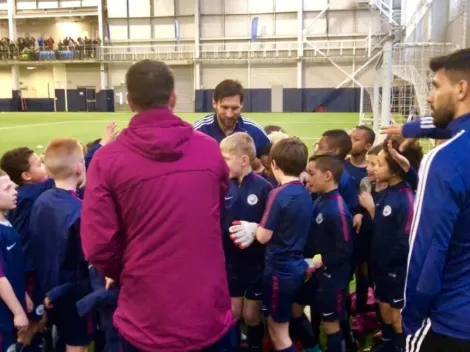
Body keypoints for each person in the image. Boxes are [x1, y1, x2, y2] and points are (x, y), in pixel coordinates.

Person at [80, 59, 235, 352]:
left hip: (146, 317)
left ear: (129, 102)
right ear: (172, 98)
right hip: (205, 311)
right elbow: (215, 212)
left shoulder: (107, 160)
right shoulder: (208, 150)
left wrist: (130, 268)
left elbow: (98, 246)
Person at [402, 49, 470, 352]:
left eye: (435, 86)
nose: (430, 97)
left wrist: (412, 319)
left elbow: (428, 248)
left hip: (450, 322)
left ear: (461, 88)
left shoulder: (445, 159)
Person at [231, 138, 313, 352]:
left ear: (273, 164)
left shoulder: (278, 193)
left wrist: (252, 228)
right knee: (282, 325)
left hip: (279, 269)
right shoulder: (304, 191)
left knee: (278, 333)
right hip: (296, 265)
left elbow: (264, 236)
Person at [29, 138, 92, 352]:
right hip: (72, 291)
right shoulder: (81, 211)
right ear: (78, 167)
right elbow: (86, 258)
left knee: (61, 335)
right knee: (76, 343)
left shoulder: (42, 200)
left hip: (47, 285)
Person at [220, 132, 272, 350]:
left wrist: (256, 230)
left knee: (251, 315)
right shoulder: (221, 185)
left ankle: (254, 344)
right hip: (228, 262)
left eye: (225, 159)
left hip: (255, 263)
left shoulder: (264, 188)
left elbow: (272, 224)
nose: (221, 164)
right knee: (233, 313)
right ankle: (232, 344)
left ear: (243, 160)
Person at [0, 147, 53, 348]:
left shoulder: (10, 214)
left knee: (35, 318)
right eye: (39, 164)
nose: (14, 188)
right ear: (26, 176)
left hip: (23, 277)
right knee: (29, 323)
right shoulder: (28, 194)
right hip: (24, 275)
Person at [301, 154, 354, 352]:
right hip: (315, 273)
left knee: (331, 325)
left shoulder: (337, 209)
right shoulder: (320, 199)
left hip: (332, 278)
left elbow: (345, 249)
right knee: (294, 311)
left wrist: (320, 260)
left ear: (328, 176)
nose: (307, 177)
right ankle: (312, 348)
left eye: (312, 173)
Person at [367, 138, 416, 352]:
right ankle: (387, 345)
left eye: (379, 164)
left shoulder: (406, 198)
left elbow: (404, 239)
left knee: (396, 317)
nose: (374, 169)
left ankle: (400, 346)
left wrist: (389, 264)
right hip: (381, 266)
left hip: (395, 269)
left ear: (395, 169)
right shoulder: (385, 192)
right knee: (384, 309)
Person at [193, 79, 270, 157]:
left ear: (242, 104)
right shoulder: (199, 131)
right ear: (214, 103)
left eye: (234, 108)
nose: (229, 114)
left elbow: (270, 160)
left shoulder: (254, 131)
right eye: (225, 107)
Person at [0, 170, 30, 352]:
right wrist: (18, 312)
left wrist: (24, 295)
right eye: (7, 188)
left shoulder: (6, 220)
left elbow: (13, 267)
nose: (15, 190)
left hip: (12, 304)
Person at [315, 129, 358, 214]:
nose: (317, 151)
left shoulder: (345, 180)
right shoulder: (318, 170)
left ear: (335, 151)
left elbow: (348, 213)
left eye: (321, 148)